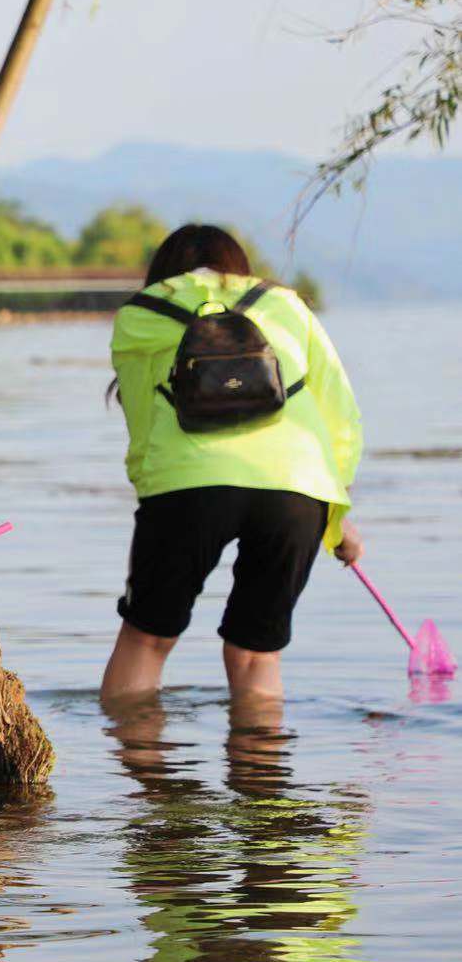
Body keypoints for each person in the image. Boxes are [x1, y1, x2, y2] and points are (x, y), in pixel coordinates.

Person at [102, 225, 364, 702]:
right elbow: (340, 415)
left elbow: (143, 429)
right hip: (298, 487)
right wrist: (336, 517)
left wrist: (158, 502)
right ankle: (261, 776)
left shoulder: (142, 314)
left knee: (147, 638)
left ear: (162, 272)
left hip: (186, 485)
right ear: (237, 267)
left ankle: (142, 774)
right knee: (255, 655)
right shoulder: (285, 304)